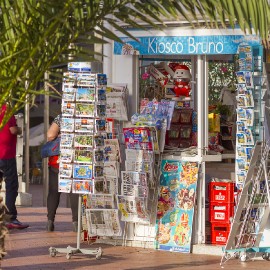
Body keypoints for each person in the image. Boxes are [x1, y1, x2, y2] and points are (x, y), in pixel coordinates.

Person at [46, 114, 79, 232]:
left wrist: (61, 135)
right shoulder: (86, 116)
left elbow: (50, 135)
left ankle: (50, 221)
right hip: (77, 160)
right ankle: (76, 222)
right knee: (74, 191)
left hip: (58, 162)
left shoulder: (61, 117)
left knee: (54, 191)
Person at [0, 104, 29, 229]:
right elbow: (12, 130)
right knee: (12, 186)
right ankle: (10, 217)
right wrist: (19, 129)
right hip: (5, 155)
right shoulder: (6, 109)